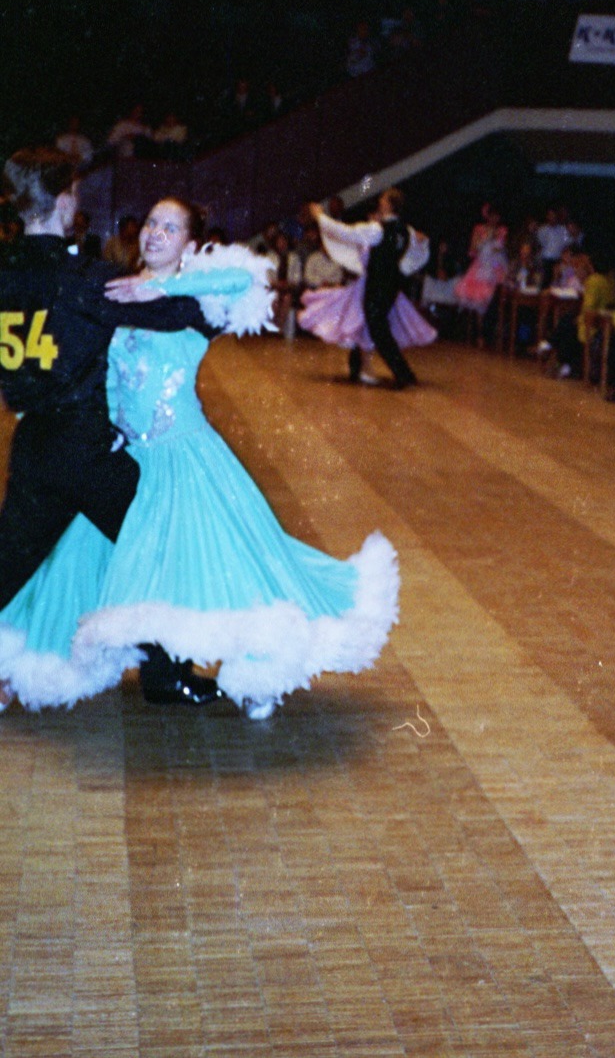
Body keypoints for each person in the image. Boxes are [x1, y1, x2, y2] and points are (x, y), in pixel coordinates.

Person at [0, 196, 400, 717]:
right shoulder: (113, 293)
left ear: (190, 243)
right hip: (129, 456)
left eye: (170, 227)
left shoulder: (193, 301)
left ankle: (259, 670)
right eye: (150, 223)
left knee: (220, 564)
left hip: (185, 459)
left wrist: (159, 285)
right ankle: (160, 674)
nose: (155, 234)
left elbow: (243, 281)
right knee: (143, 569)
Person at [0, 153, 214, 707]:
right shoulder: (85, 279)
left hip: (32, 445)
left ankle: (163, 670)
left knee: (9, 561)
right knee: (155, 544)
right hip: (86, 447)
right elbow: (180, 315)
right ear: (64, 200)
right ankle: (166, 675)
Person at [300, 200, 435, 384]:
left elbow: (344, 233)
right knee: (366, 324)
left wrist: (320, 216)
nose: (381, 202)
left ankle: (403, 373)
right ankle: (358, 368)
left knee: (376, 329)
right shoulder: (406, 230)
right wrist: (423, 243)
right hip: (390, 286)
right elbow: (416, 251)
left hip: (375, 285)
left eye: (384, 200)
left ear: (389, 206)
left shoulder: (377, 230)